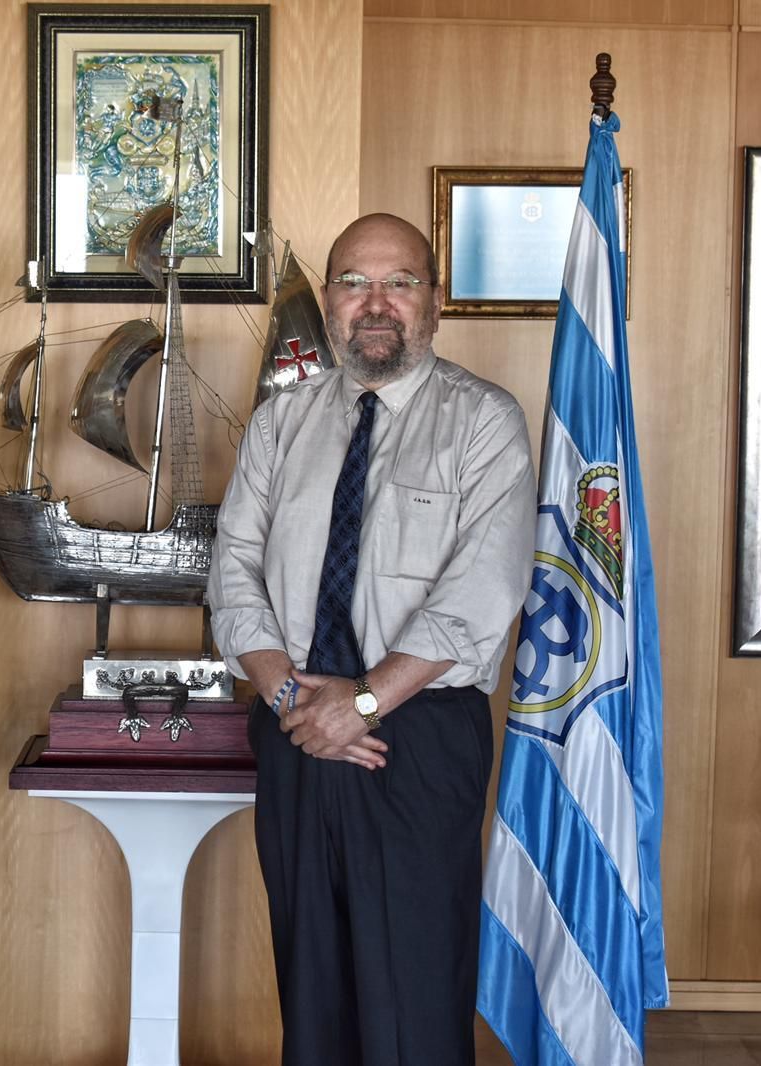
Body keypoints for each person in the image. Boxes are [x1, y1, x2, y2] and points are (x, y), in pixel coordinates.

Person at [207, 212, 536, 1064]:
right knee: (311, 980)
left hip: (418, 732)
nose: (376, 303)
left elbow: (481, 595)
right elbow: (232, 572)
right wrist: (295, 699)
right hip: (292, 726)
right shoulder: (281, 424)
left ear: (433, 305)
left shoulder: (483, 422)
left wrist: (360, 703)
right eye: (355, 282)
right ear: (328, 302)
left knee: (415, 986)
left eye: (400, 283)